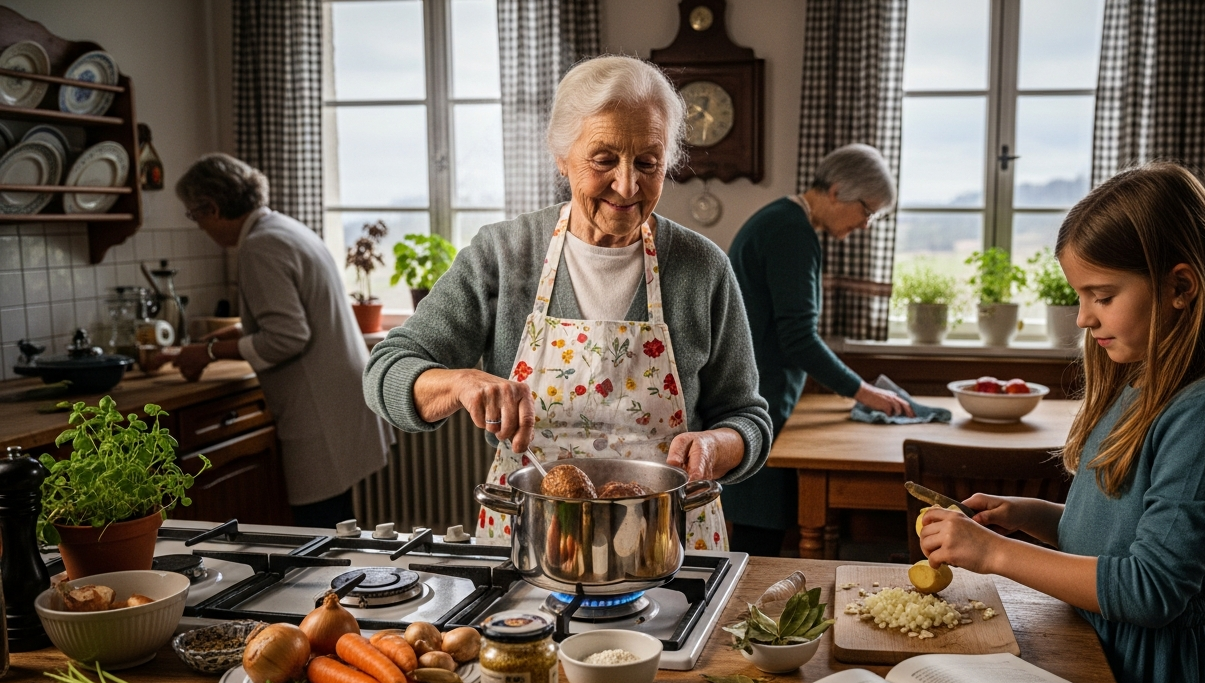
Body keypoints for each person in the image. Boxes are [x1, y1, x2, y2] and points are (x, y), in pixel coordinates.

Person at [918, 163, 1205, 683]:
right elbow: (1126, 537)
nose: (1084, 317)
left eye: (1102, 296)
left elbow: (1153, 588)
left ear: (1180, 287)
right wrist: (1032, 516)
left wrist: (992, 553)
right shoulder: (1140, 384)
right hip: (1107, 647)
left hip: (1165, 677)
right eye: (1080, 296)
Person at [363, 56, 771, 551]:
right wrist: (460, 382)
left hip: (667, 540)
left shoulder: (702, 268)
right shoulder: (503, 254)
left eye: (648, 162)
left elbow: (747, 418)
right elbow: (384, 371)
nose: (627, 184)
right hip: (533, 538)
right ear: (562, 156)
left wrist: (716, 446)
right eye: (604, 159)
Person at [171, 154, 393, 527]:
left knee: (318, 532)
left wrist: (207, 352)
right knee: (339, 526)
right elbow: (278, 319)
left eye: (195, 215)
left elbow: (287, 337)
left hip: (319, 410)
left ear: (212, 207)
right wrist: (208, 344)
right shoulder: (285, 229)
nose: (199, 227)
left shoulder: (260, 246)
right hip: (340, 398)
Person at [723, 143, 913, 556]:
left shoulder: (784, 220)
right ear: (837, 190)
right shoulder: (791, 231)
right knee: (758, 543)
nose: (866, 224)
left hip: (757, 394)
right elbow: (799, 339)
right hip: (760, 399)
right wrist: (864, 391)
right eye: (867, 210)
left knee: (759, 536)